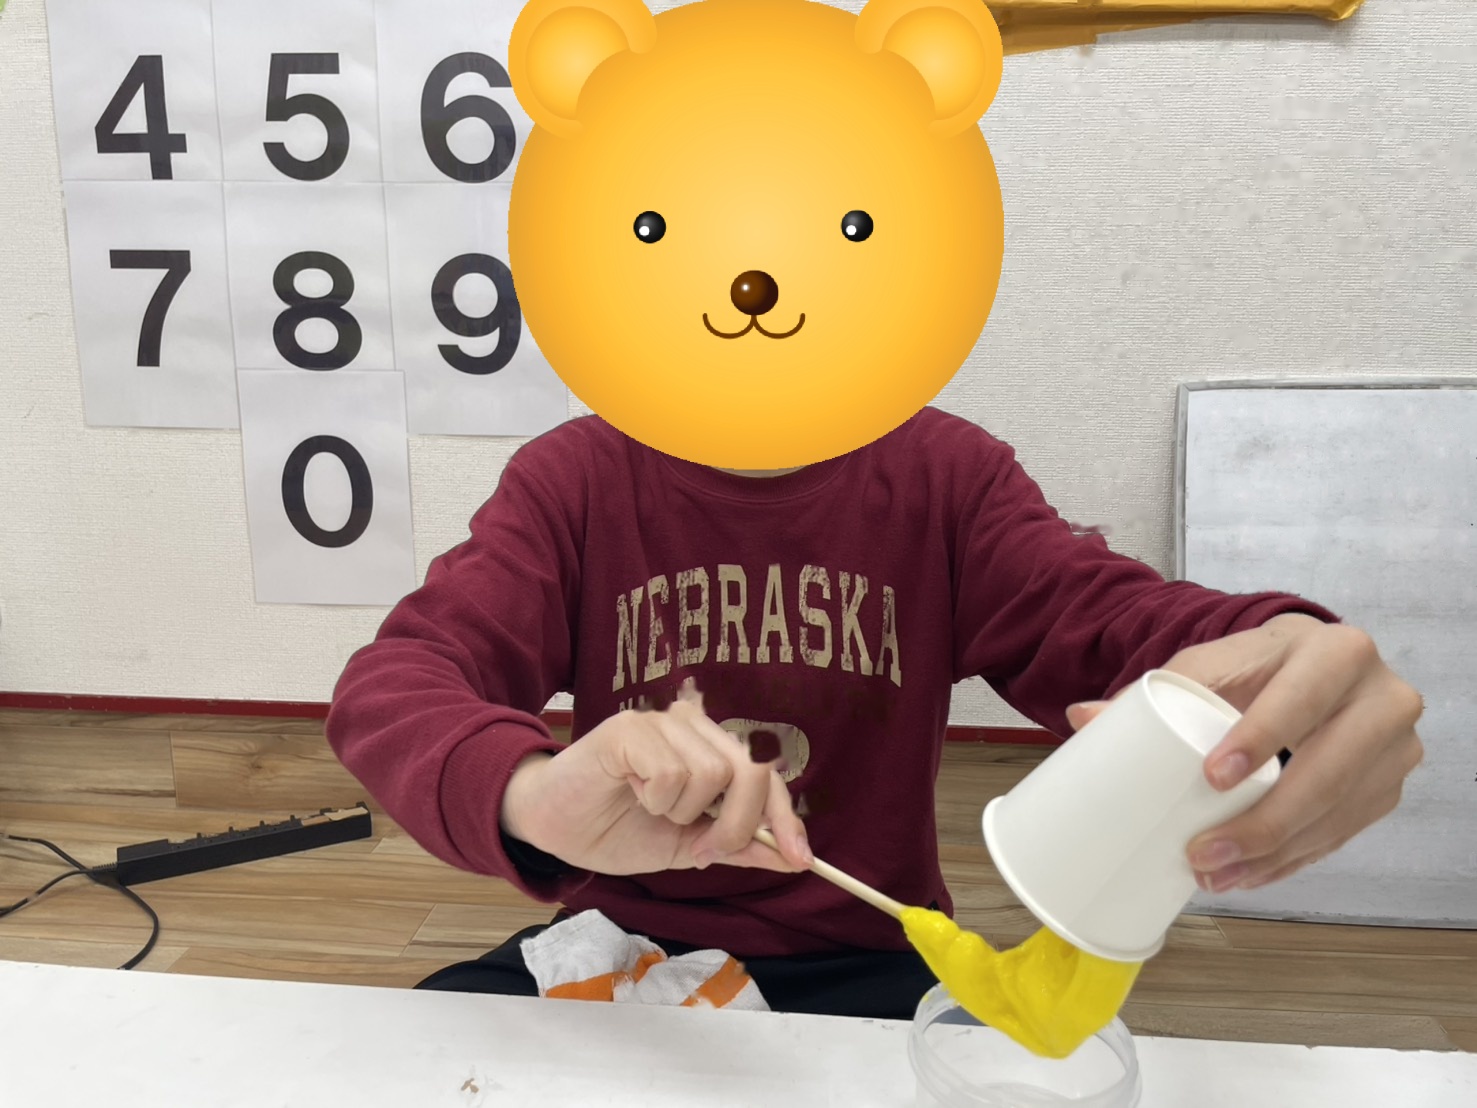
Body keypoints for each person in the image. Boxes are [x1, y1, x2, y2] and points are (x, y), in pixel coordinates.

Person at [324, 409, 1424, 1020]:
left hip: (866, 958)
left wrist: (1280, 650)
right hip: (618, 946)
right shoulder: (574, 477)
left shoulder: (948, 478)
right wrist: (528, 795)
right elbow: (396, 683)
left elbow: (1110, 618)